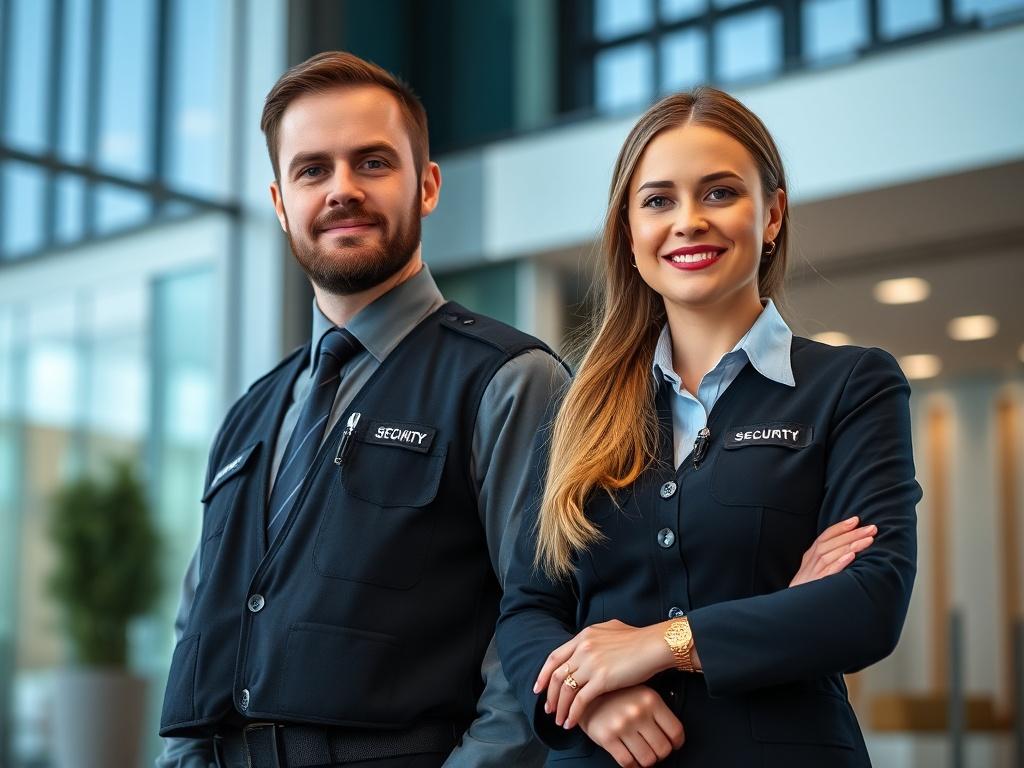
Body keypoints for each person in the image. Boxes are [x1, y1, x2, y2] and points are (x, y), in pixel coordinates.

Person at [156, 51, 566, 768]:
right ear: (282, 204)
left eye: (372, 162)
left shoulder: (509, 381)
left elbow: (537, 639)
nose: (342, 190)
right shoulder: (249, 414)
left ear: (428, 185)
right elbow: (198, 632)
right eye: (312, 170)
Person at [496, 87, 920, 768]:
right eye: (658, 200)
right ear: (629, 232)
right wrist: (594, 696)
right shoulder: (579, 408)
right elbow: (528, 608)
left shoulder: (853, 386)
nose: (688, 221)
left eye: (720, 193)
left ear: (773, 213)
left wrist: (654, 645)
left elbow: (867, 602)